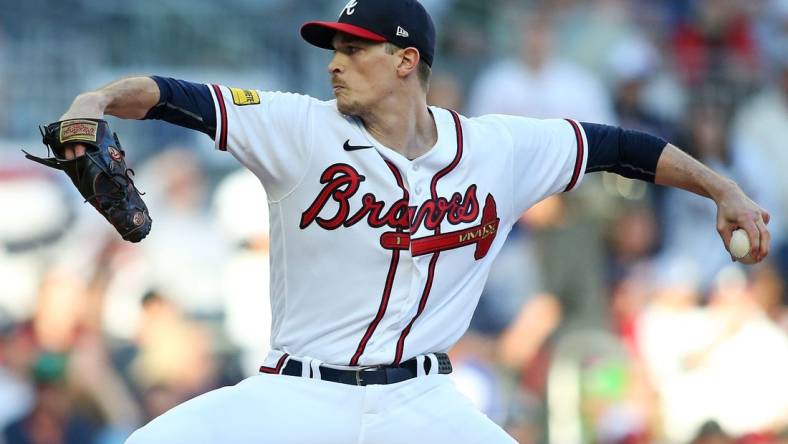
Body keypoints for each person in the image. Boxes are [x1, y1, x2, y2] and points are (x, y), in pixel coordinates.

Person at [51, 1, 771, 442]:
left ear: (405, 61)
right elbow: (174, 96)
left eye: (354, 48)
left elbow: (622, 148)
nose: (335, 64)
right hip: (296, 395)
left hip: (423, 402)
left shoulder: (497, 148)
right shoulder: (298, 127)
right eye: (333, 48)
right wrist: (96, 99)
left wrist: (722, 189)